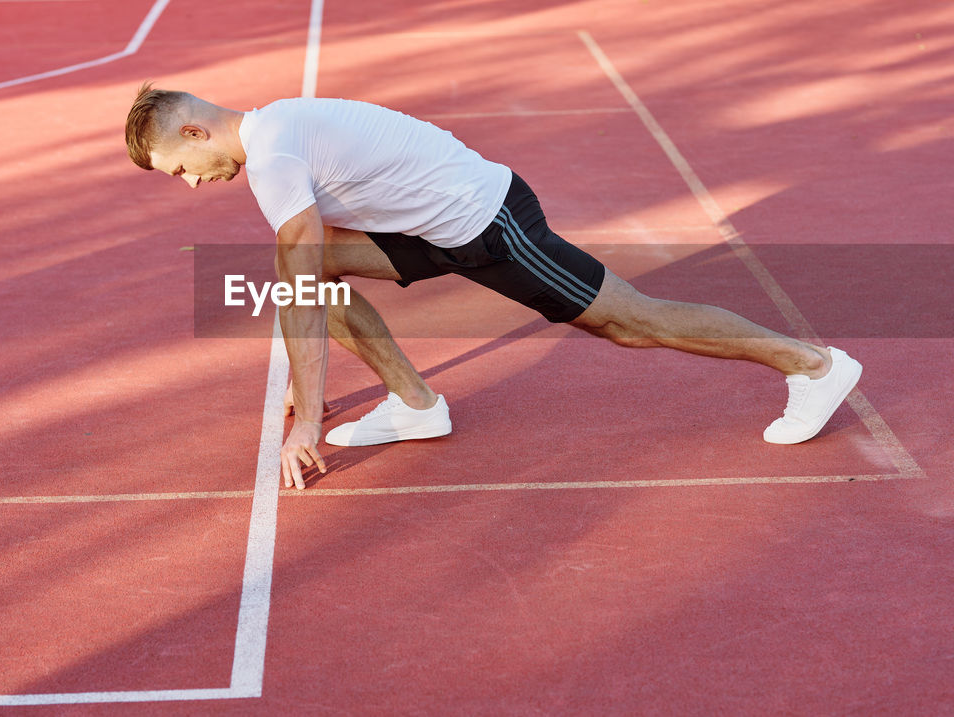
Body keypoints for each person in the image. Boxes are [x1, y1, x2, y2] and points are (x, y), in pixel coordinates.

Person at [124, 85, 863, 490]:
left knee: (631, 321)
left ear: (195, 133)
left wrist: (307, 420)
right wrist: (299, 375)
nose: (192, 184)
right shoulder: (276, 129)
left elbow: (300, 281)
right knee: (306, 268)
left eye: (182, 169)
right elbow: (300, 278)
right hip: (438, 223)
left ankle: (812, 365)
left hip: (489, 224)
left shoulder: (275, 157)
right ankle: (417, 405)